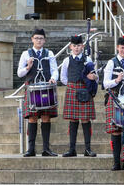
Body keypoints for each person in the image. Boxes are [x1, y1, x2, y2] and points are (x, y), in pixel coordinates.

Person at [17, 28, 59, 157]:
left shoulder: (49, 53)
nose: (39, 40)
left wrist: (54, 78)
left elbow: (55, 70)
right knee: (32, 118)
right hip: (31, 89)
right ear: (32, 39)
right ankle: (31, 149)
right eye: (36, 38)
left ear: (44, 40)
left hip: (46, 88)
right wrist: (28, 67)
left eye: (41, 38)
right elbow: (19, 73)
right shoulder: (26, 54)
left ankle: (46, 149)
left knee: (46, 118)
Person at [60, 35, 98, 157]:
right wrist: (72, 85)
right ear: (70, 46)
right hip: (72, 89)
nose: (76, 48)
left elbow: (95, 76)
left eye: (79, 45)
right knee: (73, 119)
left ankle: (88, 149)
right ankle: (72, 149)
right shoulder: (66, 60)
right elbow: (63, 78)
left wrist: (93, 78)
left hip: (85, 90)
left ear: (82, 46)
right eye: (74, 46)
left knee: (86, 119)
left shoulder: (88, 60)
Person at [103, 36, 124, 171]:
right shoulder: (111, 63)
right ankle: (116, 162)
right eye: (122, 48)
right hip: (115, 98)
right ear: (117, 48)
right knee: (115, 131)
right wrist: (116, 81)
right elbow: (105, 83)